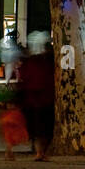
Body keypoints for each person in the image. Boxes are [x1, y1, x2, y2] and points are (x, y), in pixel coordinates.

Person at [18, 31, 55, 161]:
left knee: (39, 128)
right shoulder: (45, 61)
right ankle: (41, 152)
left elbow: (24, 78)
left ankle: (40, 152)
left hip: (36, 100)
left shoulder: (33, 62)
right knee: (42, 128)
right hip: (40, 100)